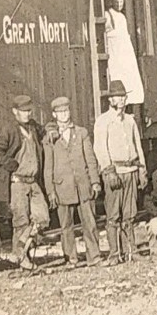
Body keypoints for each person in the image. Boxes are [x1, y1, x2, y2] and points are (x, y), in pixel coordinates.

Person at [0, 94, 49, 270]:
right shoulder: (8, 130)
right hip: (17, 183)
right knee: (21, 221)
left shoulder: (33, 127)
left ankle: (20, 250)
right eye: (23, 111)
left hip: (33, 182)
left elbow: (46, 130)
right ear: (15, 112)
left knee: (42, 217)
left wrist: (51, 129)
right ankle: (23, 258)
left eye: (29, 110)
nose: (27, 114)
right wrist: (9, 163)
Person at [44, 96, 103, 267]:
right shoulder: (50, 138)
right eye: (60, 112)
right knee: (66, 226)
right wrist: (51, 191)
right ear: (54, 115)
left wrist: (95, 181)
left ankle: (94, 256)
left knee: (89, 222)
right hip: (63, 187)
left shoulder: (82, 133)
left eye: (66, 110)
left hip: (83, 185)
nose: (64, 115)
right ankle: (71, 258)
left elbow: (90, 159)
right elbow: (48, 168)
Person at [94, 80, 148, 265]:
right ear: (110, 99)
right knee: (113, 216)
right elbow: (100, 148)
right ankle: (114, 254)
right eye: (118, 96)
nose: (122, 100)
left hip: (130, 170)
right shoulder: (103, 121)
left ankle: (131, 252)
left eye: (124, 96)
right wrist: (108, 171)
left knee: (129, 215)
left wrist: (142, 169)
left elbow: (138, 146)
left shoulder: (130, 120)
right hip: (115, 172)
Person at [105, 0, 145, 106]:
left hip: (124, 51)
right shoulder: (108, 15)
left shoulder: (122, 16)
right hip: (115, 50)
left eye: (121, 2)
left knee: (129, 76)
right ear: (112, 2)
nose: (119, 5)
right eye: (116, 2)